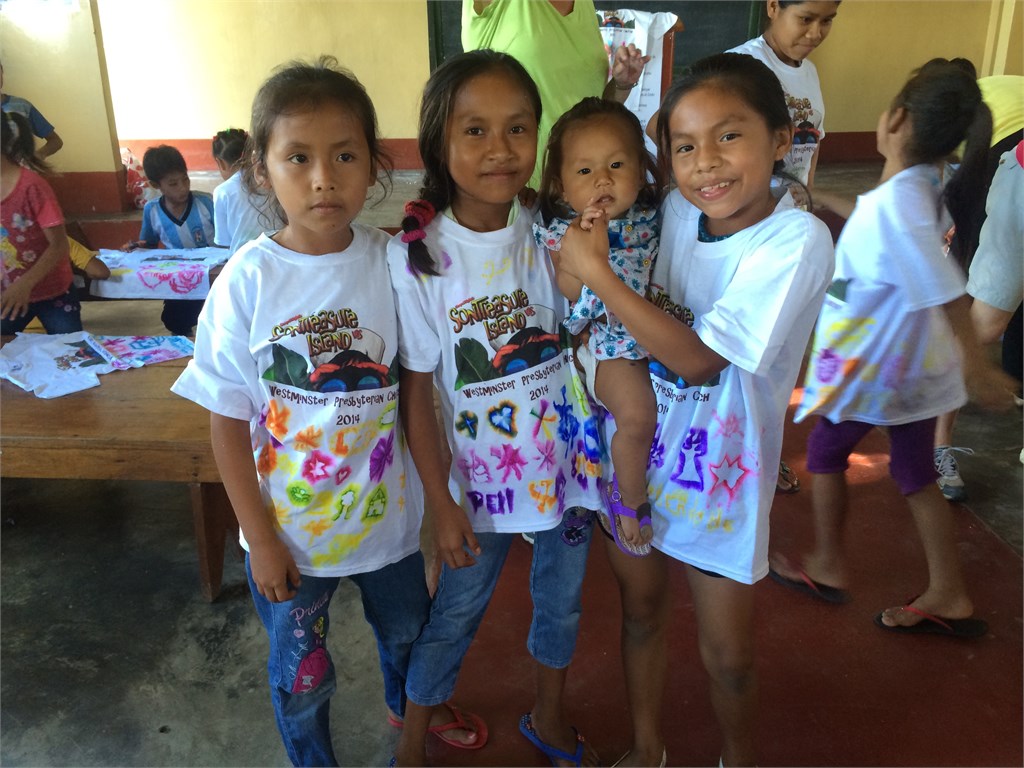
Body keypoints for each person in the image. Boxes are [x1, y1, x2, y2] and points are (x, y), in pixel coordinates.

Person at [171, 56, 479, 767]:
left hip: (388, 530)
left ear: (373, 164)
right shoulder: (248, 280)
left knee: (406, 634)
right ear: (261, 170)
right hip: (292, 537)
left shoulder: (392, 263)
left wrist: (438, 504)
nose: (323, 179)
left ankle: (409, 708)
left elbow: (417, 387)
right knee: (302, 674)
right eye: (298, 158)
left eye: (344, 156)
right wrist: (261, 539)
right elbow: (225, 419)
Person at [557, 53, 835, 767]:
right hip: (638, 462)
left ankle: (736, 758)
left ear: (782, 138)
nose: (706, 163)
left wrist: (596, 276)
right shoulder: (677, 211)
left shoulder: (795, 240)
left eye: (728, 136)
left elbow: (700, 360)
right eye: (684, 146)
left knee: (729, 656)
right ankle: (648, 748)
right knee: (641, 614)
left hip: (720, 479)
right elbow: (603, 164)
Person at [387, 49, 602, 767]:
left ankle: (549, 714)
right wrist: (442, 502)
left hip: (568, 470)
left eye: (518, 128)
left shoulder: (552, 228)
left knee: (563, 603)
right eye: (474, 130)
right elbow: (418, 395)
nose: (500, 149)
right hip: (480, 488)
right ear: (438, 142)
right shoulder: (419, 257)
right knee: (454, 613)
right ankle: (411, 745)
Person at [771, 60, 1014, 638]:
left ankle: (828, 563)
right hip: (913, 367)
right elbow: (880, 219)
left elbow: (947, 291)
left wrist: (980, 370)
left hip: (877, 369)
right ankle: (949, 592)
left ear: (896, 119)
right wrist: (824, 197)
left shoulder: (899, 205)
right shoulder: (925, 181)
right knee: (915, 473)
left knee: (825, 453)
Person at [535, 96, 661, 555]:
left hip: (660, 335)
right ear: (561, 185)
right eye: (585, 171)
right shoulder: (567, 231)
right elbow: (569, 289)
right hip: (611, 343)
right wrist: (589, 250)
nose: (602, 180)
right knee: (638, 416)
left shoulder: (656, 215)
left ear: (642, 171)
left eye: (616, 165)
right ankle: (629, 498)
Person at [463, 0, 649, 188]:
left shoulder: (583, 5)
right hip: (519, 190)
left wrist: (621, 84)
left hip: (582, 186)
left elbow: (591, 111)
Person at [121, 144, 215, 336]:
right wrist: (136, 247)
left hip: (212, 276)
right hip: (180, 279)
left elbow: (226, 239)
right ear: (156, 185)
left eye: (185, 179)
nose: (183, 188)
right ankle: (183, 341)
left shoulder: (206, 203)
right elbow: (148, 245)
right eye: (173, 184)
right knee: (174, 319)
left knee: (216, 317)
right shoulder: (152, 210)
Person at [0, 111, 80, 335]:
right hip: (9, 294)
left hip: (54, 293)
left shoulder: (32, 187)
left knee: (70, 350)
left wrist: (24, 284)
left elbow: (59, 245)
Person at [212, 127, 284, 254]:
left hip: (243, 261)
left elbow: (223, 242)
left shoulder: (223, 192)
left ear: (220, 163)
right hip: (279, 255)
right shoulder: (273, 181)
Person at [0, 62, 63, 159]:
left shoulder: (22, 106)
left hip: (18, 167)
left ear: (2, 70)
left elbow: (55, 141)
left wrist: (36, 157)